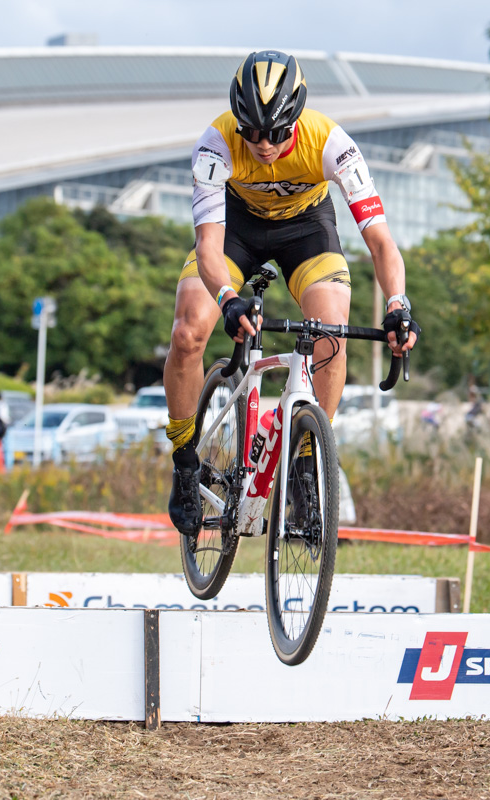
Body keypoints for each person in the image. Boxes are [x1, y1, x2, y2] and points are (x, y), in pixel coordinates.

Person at [163, 50, 420, 535]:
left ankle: (305, 458)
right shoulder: (216, 144)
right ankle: (184, 460)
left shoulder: (331, 143)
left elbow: (381, 240)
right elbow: (208, 247)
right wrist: (227, 300)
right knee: (188, 331)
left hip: (306, 230)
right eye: (252, 131)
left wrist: (397, 305)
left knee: (331, 330)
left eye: (276, 133)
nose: (262, 144)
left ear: (297, 118)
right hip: (234, 231)